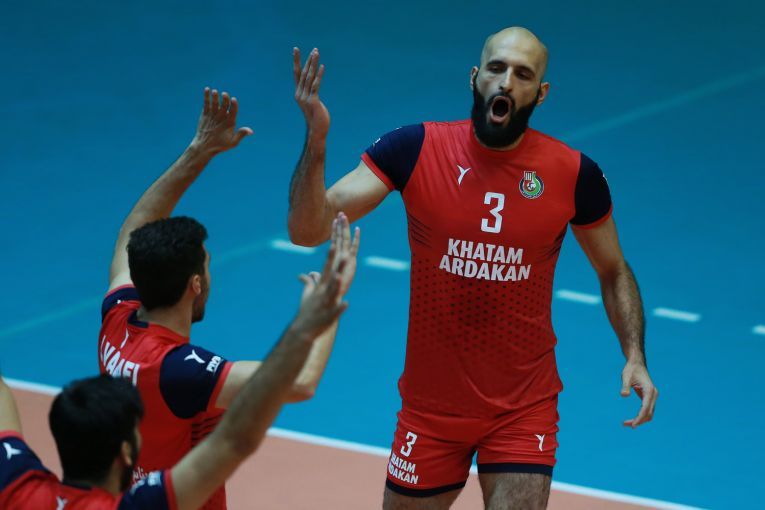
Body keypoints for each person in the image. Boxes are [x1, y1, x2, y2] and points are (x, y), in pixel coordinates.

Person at [287, 27, 658, 509]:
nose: (506, 82)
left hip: (523, 408)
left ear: (541, 93)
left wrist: (634, 354)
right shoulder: (415, 149)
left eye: (523, 74)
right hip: (430, 410)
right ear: (475, 76)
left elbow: (613, 269)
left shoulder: (573, 175)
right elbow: (308, 230)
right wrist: (316, 141)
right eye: (497, 68)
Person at [100, 87, 360, 509]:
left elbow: (135, 229)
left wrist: (199, 151)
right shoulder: (179, 371)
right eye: (206, 265)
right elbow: (300, 382)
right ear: (194, 284)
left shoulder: (117, 319)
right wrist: (328, 303)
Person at [0, 218, 355, 509]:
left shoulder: (21, 489)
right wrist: (326, 304)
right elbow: (289, 391)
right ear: (124, 450)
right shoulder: (178, 373)